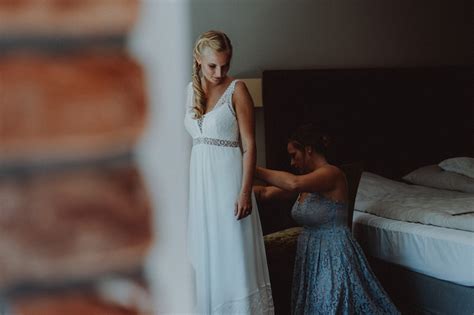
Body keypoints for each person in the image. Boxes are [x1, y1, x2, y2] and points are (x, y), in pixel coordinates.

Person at [254, 124, 399, 315]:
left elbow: (293, 183)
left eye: (293, 155)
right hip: (311, 252)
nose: (292, 162)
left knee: (329, 305)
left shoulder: (331, 174)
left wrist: (252, 167)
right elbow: (264, 193)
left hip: (333, 253)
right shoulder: (308, 181)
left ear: (308, 150)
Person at [184, 30, 274, 315]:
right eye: (213, 66)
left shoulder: (238, 90)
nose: (219, 72)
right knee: (205, 253)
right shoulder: (191, 90)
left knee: (232, 255)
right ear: (199, 59)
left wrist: (245, 192)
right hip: (201, 188)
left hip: (229, 187)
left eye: (225, 65)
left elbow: (249, 145)